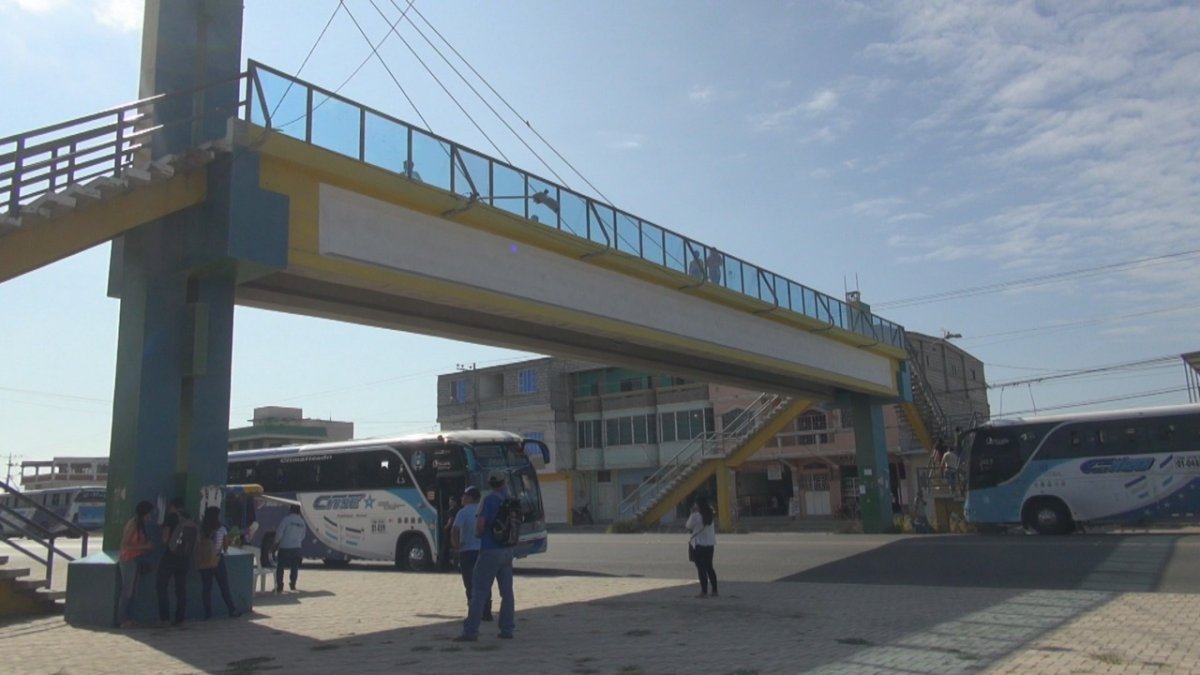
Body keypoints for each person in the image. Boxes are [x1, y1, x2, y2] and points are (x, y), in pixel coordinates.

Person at [453, 470, 516, 641]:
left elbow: (480, 525)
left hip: (490, 549)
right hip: (507, 550)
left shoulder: (489, 500)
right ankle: (507, 629)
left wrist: (479, 534)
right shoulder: (510, 499)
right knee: (507, 592)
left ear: (489, 483)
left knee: (479, 591)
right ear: (504, 482)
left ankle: (470, 631)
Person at [451, 486, 493, 622]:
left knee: (470, 583)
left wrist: (456, 545)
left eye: (464, 495)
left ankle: (473, 612)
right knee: (484, 581)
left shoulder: (462, 512)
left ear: (469, 497)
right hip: (483, 550)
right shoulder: (483, 510)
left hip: (467, 552)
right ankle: (487, 612)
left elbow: (455, 530)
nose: (462, 498)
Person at [117, 500, 156, 628]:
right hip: (128, 560)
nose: (150, 516)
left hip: (135, 559)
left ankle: (130, 618)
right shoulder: (133, 524)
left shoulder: (140, 525)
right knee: (127, 591)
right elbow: (124, 545)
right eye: (149, 514)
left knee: (134, 591)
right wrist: (145, 546)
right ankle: (122, 619)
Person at [199, 506, 242, 619]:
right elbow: (226, 546)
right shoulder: (222, 528)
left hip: (204, 560)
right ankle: (232, 609)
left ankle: (207, 614)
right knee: (224, 587)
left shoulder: (202, 529)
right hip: (217, 559)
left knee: (206, 588)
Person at [156, 497, 190, 626]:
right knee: (181, 587)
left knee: (161, 585)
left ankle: (164, 618)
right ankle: (180, 618)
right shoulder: (188, 517)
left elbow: (165, 539)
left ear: (172, 506)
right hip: (185, 556)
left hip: (171, 556)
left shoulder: (171, 517)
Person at [685, 494, 718, 598]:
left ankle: (704, 592)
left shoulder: (696, 515)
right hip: (710, 544)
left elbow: (688, 526)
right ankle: (714, 590)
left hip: (699, 545)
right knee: (710, 568)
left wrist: (692, 513)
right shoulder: (710, 514)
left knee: (701, 569)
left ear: (698, 504)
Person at [274, 504, 307, 593]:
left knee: (280, 567)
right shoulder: (302, 522)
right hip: (296, 547)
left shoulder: (286, 520)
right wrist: (297, 541)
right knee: (294, 567)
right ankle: (293, 584)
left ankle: (280, 586)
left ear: (290, 510)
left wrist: (276, 542)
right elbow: (303, 535)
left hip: (285, 547)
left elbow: (279, 533)